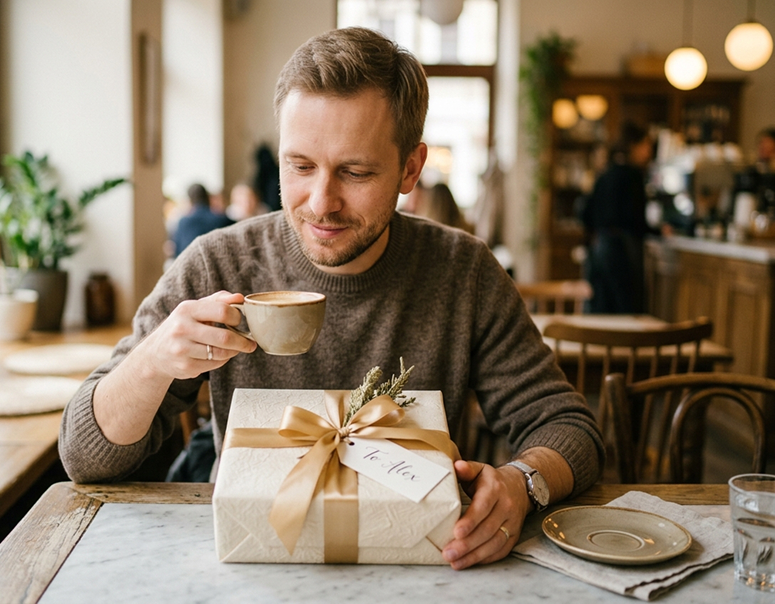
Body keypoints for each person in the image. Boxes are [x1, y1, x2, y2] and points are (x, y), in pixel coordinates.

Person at [59, 27, 603, 570]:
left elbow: (569, 427)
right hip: (251, 558)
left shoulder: (465, 272)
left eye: (355, 172)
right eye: (300, 166)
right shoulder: (216, 263)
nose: (321, 203)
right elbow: (84, 457)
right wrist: (152, 363)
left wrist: (522, 483)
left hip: (416, 562)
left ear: (410, 168)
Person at [579, 121, 653, 314]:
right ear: (633, 146)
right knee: (627, 310)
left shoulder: (605, 173)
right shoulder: (633, 175)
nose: (649, 152)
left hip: (599, 248)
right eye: (646, 145)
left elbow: (585, 213)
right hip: (622, 251)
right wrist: (658, 230)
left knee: (601, 309)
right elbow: (636, 221)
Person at [170, 183, 234, 257]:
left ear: (190, 201)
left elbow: (177, 252)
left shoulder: (183, 222)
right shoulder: (222, 220)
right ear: (208, 198)